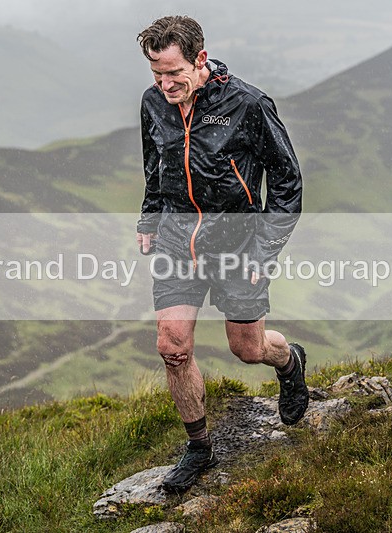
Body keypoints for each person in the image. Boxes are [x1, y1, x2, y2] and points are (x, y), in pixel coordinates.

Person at [136, 15, 308, 493]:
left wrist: (263, 250)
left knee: (246, 349)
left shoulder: (248, 104)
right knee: (172, 348)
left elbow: (288, 183)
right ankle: (199, 448)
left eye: (175, 73)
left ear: (201, 59)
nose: (166, 84)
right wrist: (150, 218)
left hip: (239, 245)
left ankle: (289, 361)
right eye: (156, 74)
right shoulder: (153, 103)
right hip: (177, 243)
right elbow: (156, 167)